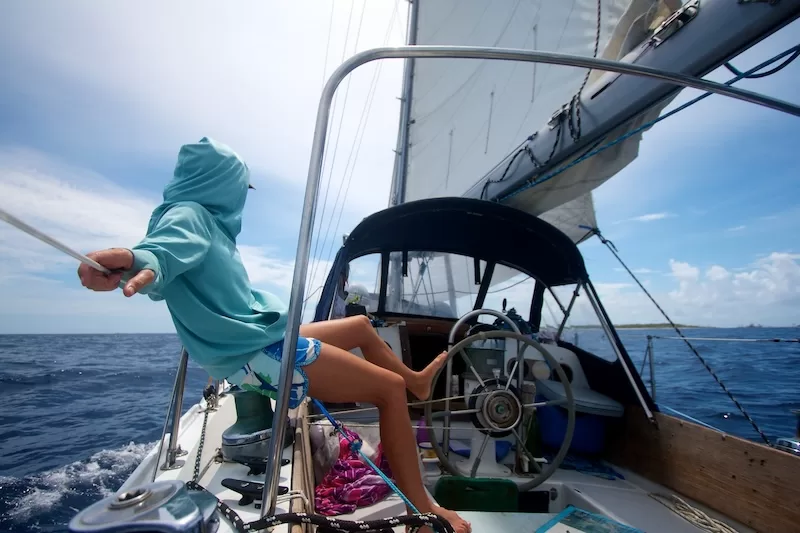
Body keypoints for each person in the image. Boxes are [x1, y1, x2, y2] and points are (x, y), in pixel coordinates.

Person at [77, 137, 470, 533]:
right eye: (240, 187)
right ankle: (423, 512)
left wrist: (142, 262)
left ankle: (418, 383)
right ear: (221, 183)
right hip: (259, 351)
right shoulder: (190, 215)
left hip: (260, 335)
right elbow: (162, 252)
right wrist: (134, 261)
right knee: (387, 390)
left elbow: (171, 254)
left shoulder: (204, 223)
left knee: (360, 327)